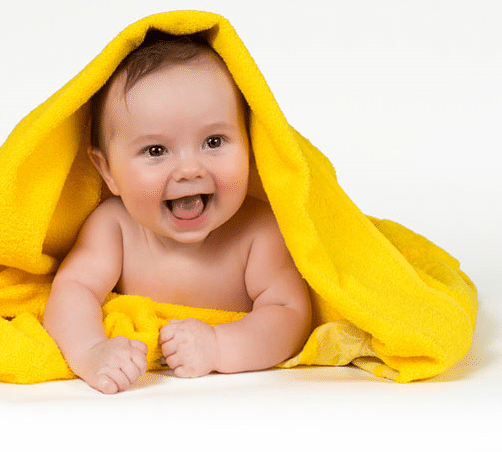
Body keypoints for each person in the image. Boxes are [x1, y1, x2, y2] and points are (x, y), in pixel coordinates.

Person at [42, 32, 311, 394]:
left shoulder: (259, 232)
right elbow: (73, 290)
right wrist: (91, 351)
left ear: (250, 145)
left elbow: (290, 315)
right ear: (108, 172)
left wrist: (219, 346)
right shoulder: (114, 228)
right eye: (156, 150)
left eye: (214, 142)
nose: (189, 169)